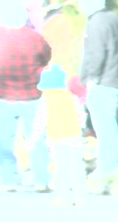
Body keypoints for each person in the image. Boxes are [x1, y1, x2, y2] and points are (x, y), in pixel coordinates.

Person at [0, 0, 52, 192]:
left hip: (3, 94)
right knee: (37, 138)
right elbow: (46, 57)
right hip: (31, 94)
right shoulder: (35, 38)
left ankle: (8, 179)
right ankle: (41, 179)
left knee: (4, 140)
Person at [76, 0, 118, 196]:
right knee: (110, 133)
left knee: (105, 133)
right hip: (114, 79)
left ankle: (109, 176)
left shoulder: (96, 22)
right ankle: (110, 174)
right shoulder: (113, 19)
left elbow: (96, 54)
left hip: (102, 83)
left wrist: (90, 78)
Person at [36, 65, 86, 206]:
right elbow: (81, 115)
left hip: (56, 136)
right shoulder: (72, 97)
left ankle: (64, 196)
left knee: (61, 168)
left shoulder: (46, 99)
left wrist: (34, 138)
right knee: (77, 166)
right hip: (75, 134)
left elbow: (41, 120)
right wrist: (83, 127)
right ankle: (79, 196)